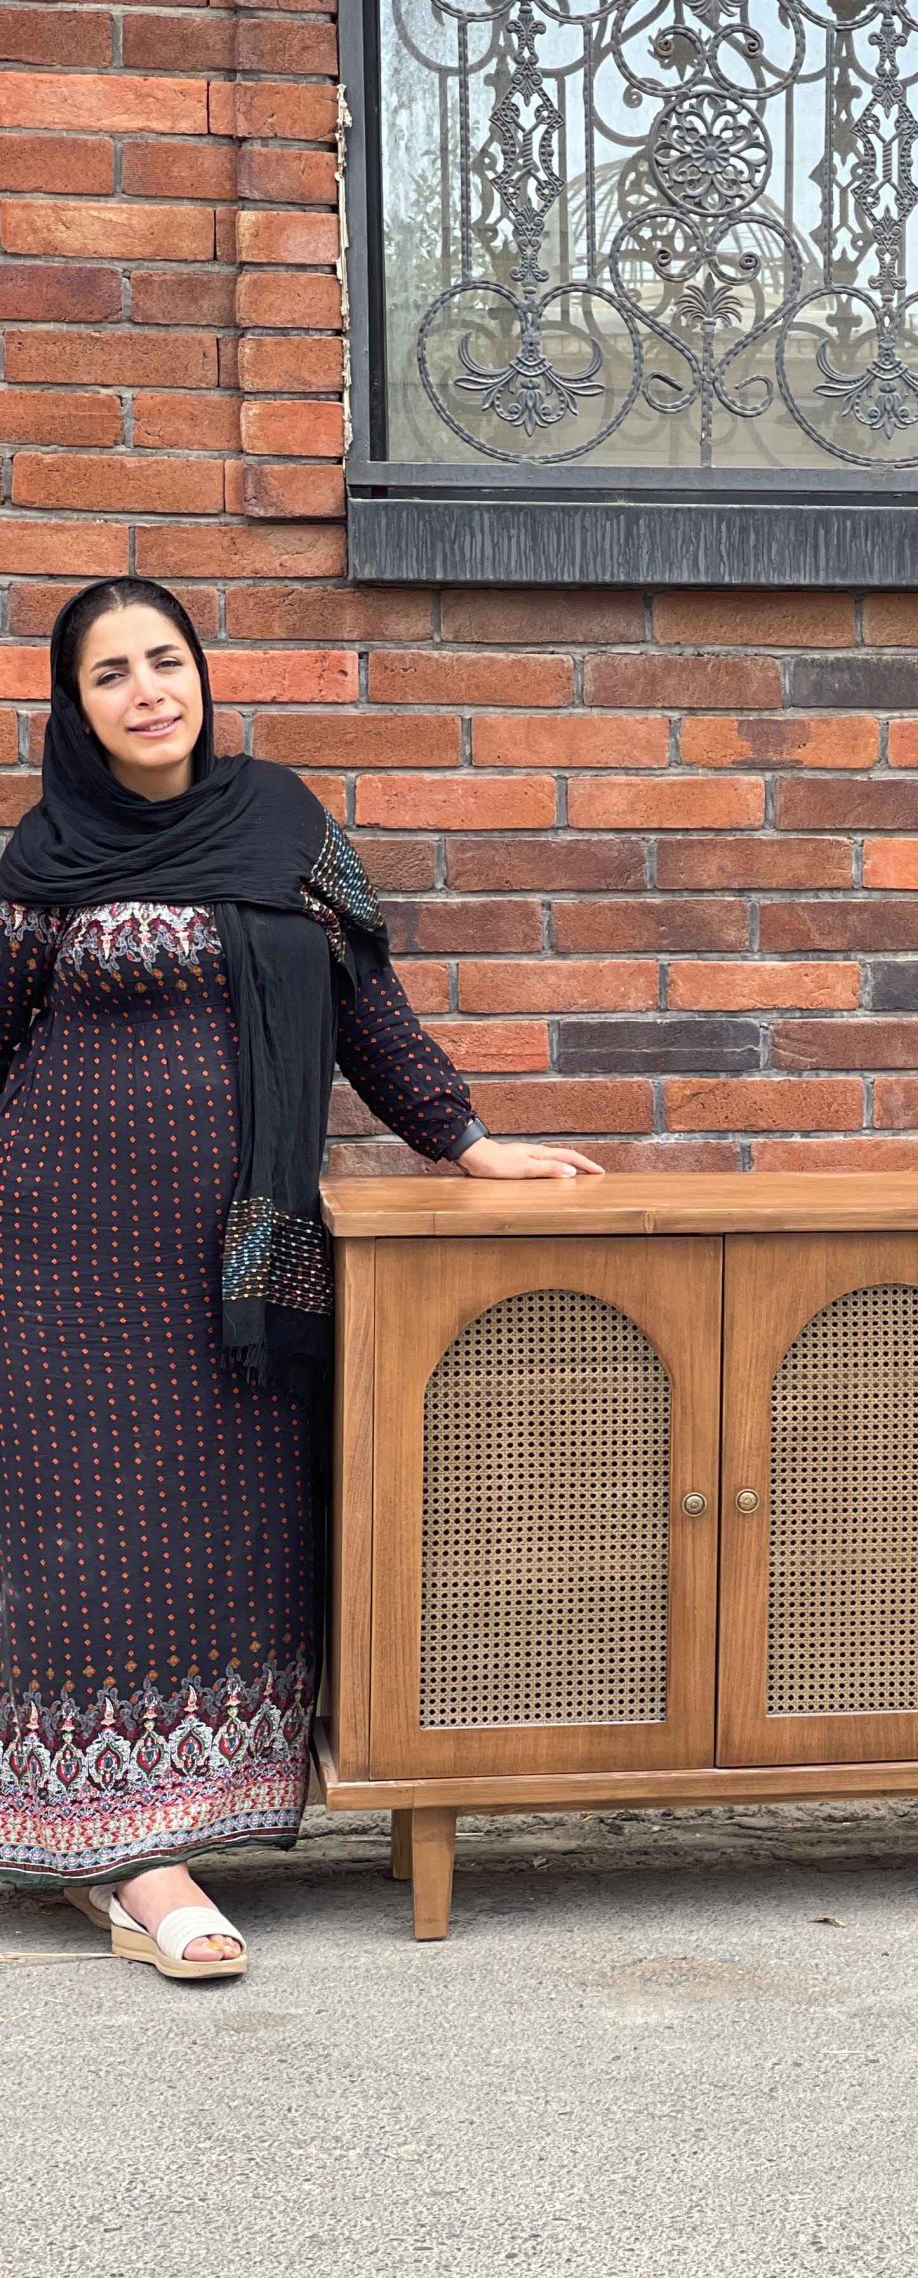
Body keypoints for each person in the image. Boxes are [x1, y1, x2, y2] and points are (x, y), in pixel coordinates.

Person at [0, 579, 604, 1979]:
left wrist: (464, 1138)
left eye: (165, 660)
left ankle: (169, 1826)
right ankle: (130, 1857)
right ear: (74, 708)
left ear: (201, 677)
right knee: (87, 1534)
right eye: (110, 674)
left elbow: (365, 1008)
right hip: (61, 1250)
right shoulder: (41, 860)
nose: (148, 691)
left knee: (226, 1521)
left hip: (245, 1251)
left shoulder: (286, 828)